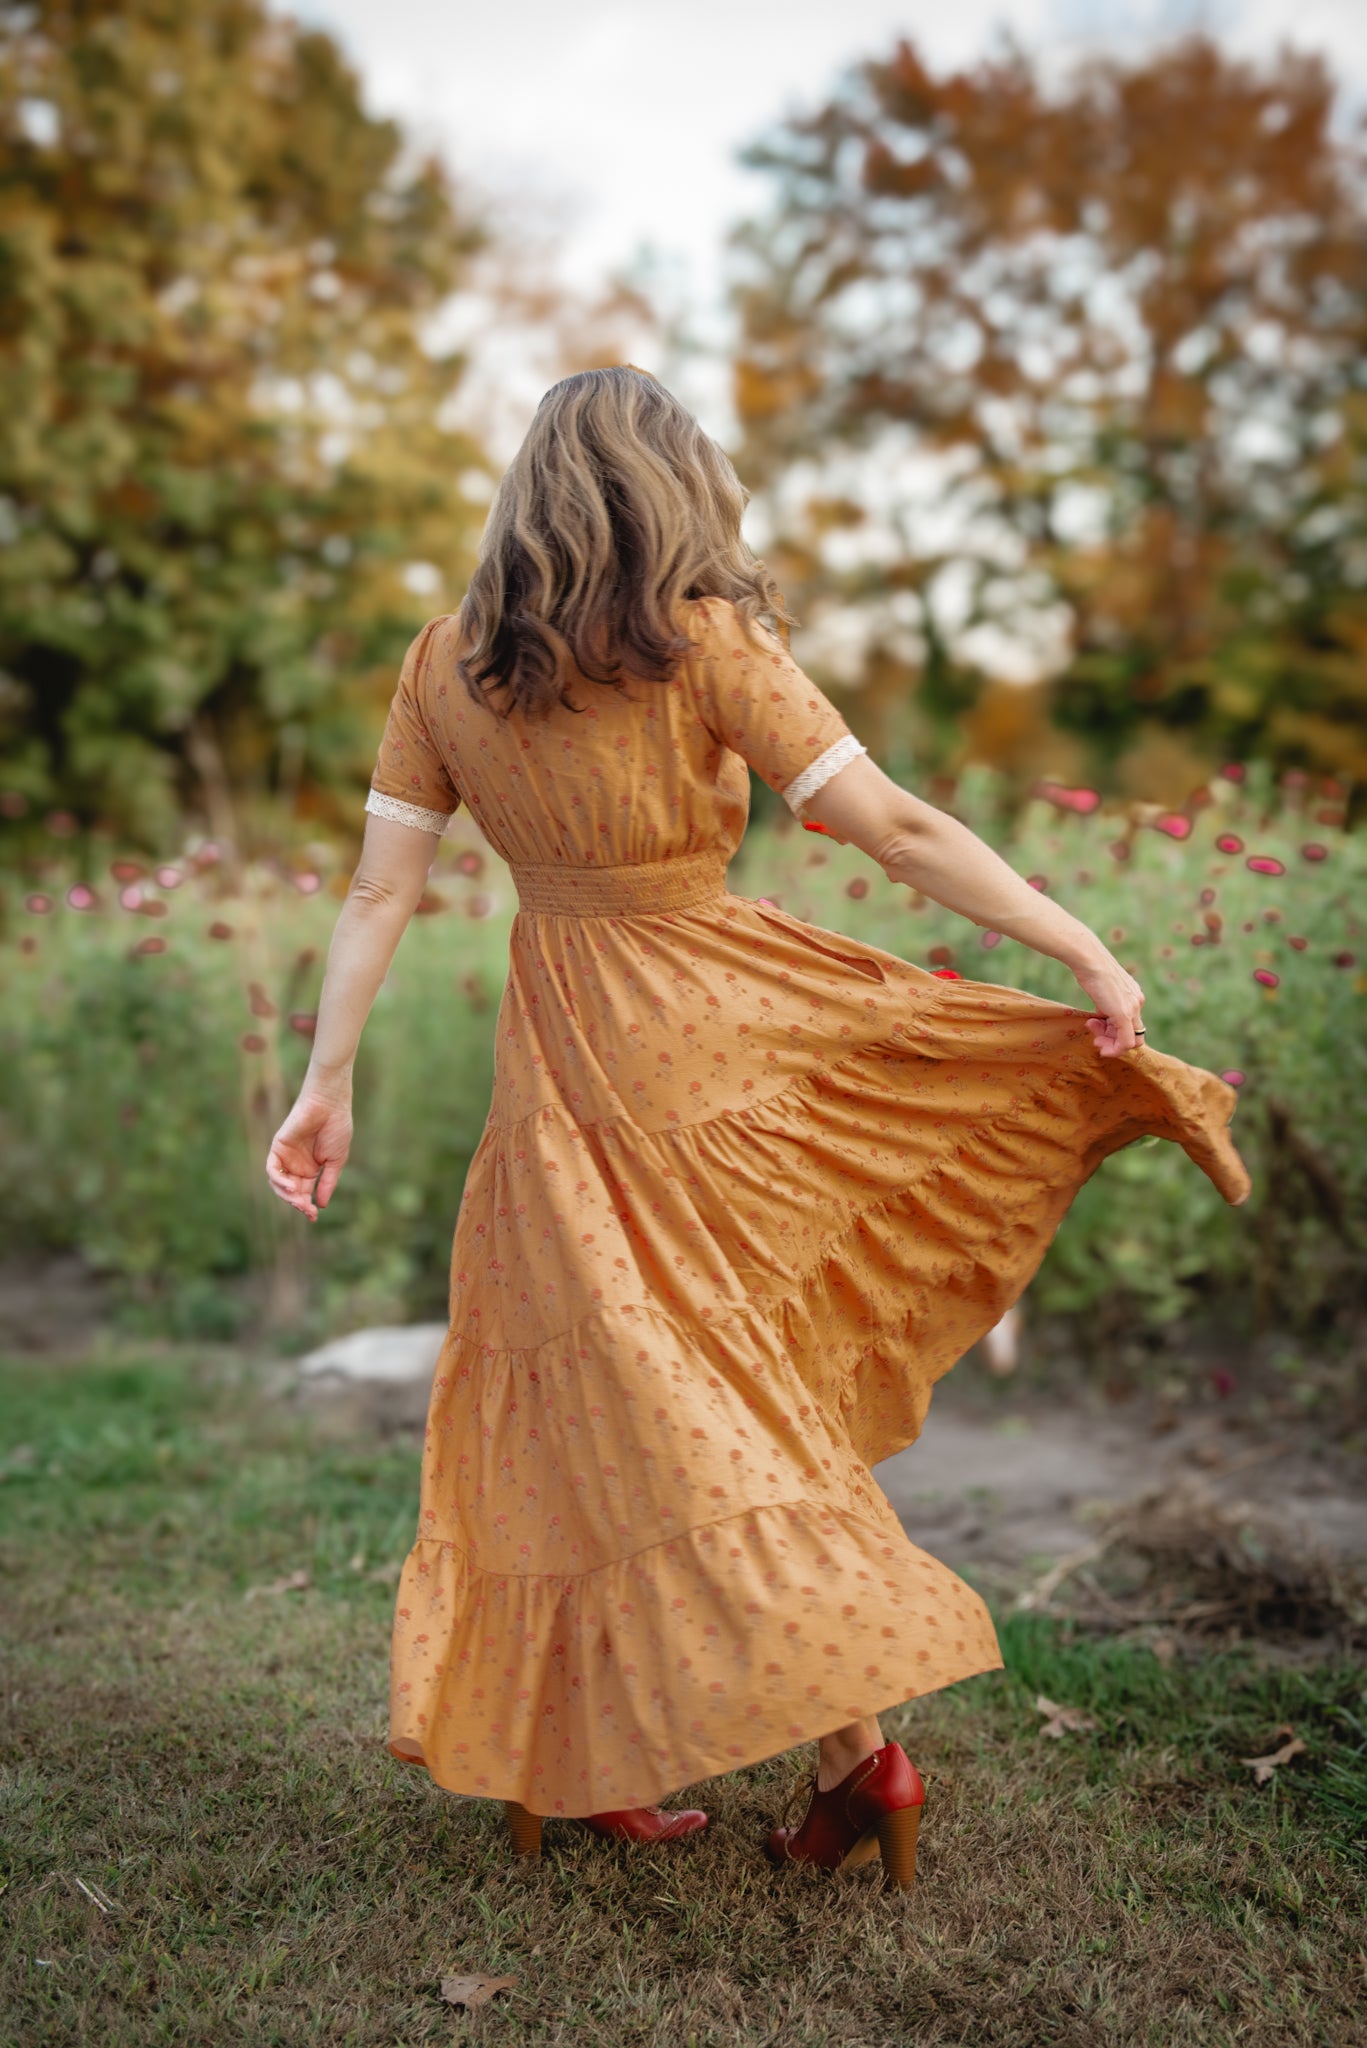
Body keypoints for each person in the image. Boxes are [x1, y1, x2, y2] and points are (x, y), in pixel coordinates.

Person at [266, 365, 1251, 1891]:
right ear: (673, 487)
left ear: (530, 490)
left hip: (567, 1064)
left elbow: (378, 891)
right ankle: (828, 1760)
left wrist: (325, 1080)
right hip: (724, 1042)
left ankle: (755, 1757)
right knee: (699, 1397)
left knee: (622, 1404)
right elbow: (893, 824)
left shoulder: (448, 664)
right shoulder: (703, 640)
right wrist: (1079, 948)